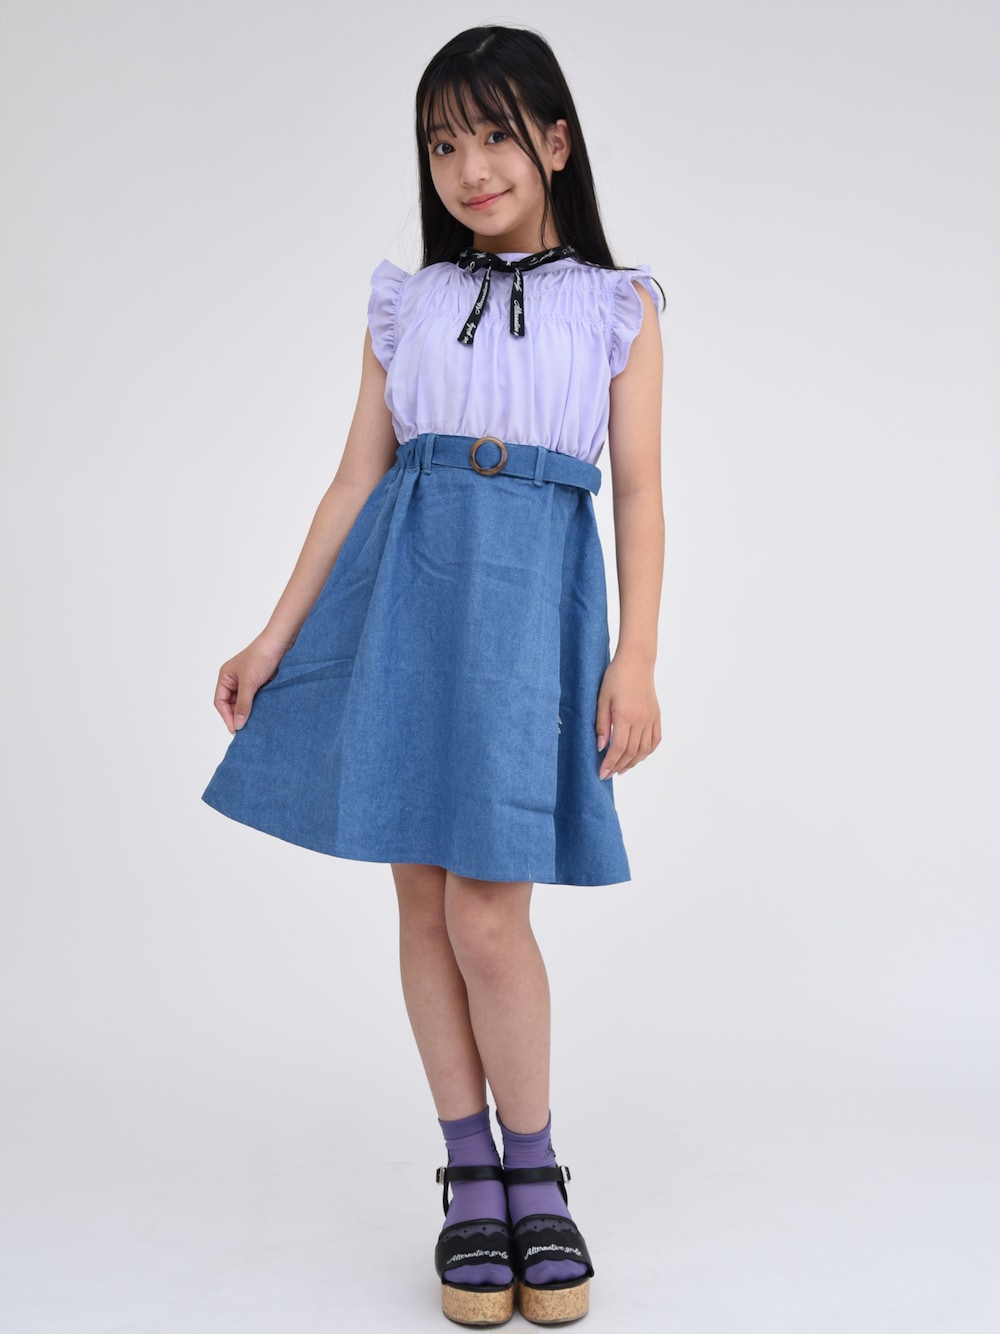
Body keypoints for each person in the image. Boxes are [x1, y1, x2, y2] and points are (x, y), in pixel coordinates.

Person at [203, 24, 664, 1328]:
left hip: (530, 605)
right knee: (422, 900)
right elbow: (357, 477)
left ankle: (537, 1166)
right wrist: (274, 635)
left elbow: (639, 490)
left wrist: (636, 655)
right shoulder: (404, 304)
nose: (470, 166)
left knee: (487, 912)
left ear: (557, 142)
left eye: (496, 134)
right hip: (403, 589)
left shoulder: (616, 306)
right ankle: (472, 1174)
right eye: (444, 142)